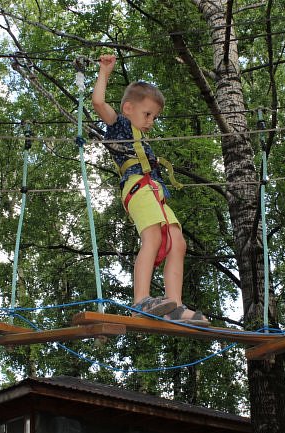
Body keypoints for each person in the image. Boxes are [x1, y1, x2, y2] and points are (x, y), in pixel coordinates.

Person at [92, 54, 208, 325]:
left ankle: (175, 306)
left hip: (155, 191)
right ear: (129, 108)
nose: (151, 121)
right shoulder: (119, 125)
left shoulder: (143, 138)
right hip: (137, 188)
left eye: (154, 117)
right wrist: (105, 72)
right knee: (153, 237)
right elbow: (98, 103)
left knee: (178, 243)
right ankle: (140, 300)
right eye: (147, 114)